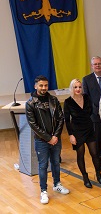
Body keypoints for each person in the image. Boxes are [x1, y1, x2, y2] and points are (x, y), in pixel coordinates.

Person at [26, 75, 70, 204]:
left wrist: (55, 136)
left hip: (55, 138)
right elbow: (33, 125)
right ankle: (43, 191)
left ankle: (57, 184)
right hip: (41, 141)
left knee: (56, 162)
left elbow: (61, 119)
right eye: (41, 85)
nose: (44, 88)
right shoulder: (30, 103)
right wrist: (48, 138)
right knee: (43, 165)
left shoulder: (54, 100)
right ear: (35, 86)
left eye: (46, 85)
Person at [64, 79, 101, 188]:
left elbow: (90, 111)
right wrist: (71, 135)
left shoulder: (86, 97)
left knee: (95, 153)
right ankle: (85, 177)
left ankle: (98, 174)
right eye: (75, 87)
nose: (78, 89)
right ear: (72, 88)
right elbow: (67, 120)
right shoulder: (68, 102)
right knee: (80, 155)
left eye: (79, 87)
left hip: (89, 128)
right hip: (77, 131)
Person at [82, 56, 101, 161]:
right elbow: (86, 97)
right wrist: (95, 110)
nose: (98, 66)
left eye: (99, 63)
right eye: (95, 64)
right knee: (97, 139)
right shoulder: (86, 79)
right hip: (95, 114)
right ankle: (98, 160)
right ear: (92, 66)